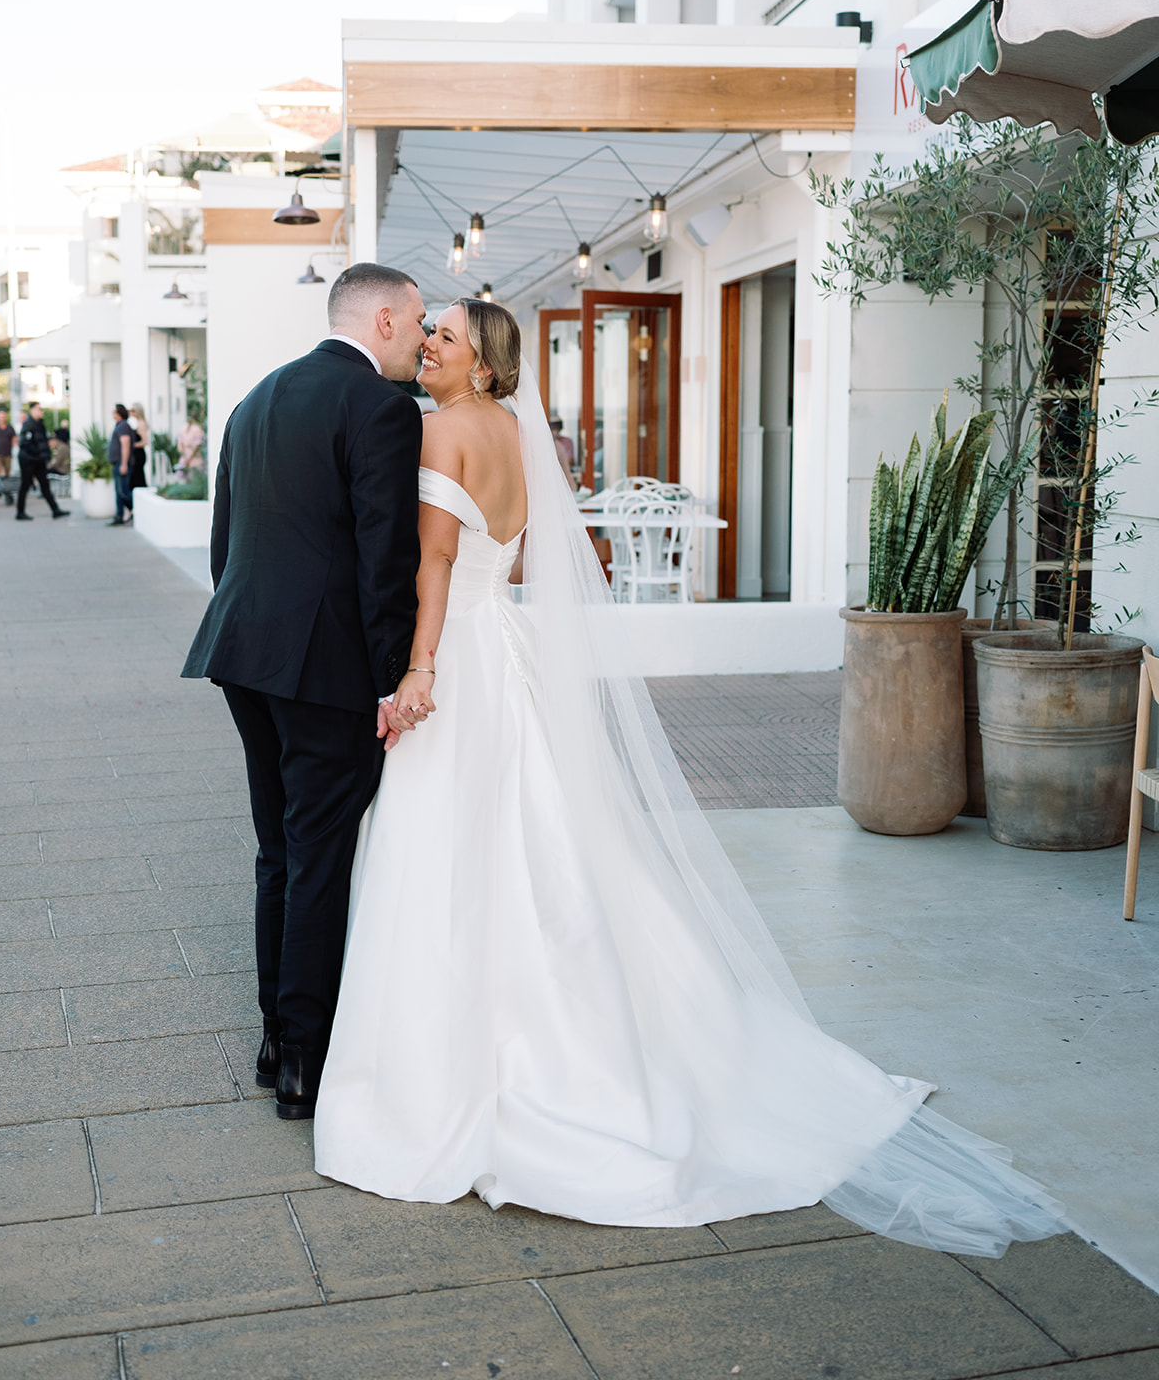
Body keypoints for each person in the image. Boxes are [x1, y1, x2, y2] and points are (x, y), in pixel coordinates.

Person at [313, 297, 1066, 1258]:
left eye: (445, 338)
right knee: (532, 834)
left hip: (459, 657)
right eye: (428, 334)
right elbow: (536, 552)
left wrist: (419, 672)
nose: (427, 346)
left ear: (487, 367)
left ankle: (447, 1073)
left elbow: (435, 561)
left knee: (452, 847)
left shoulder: (447, 431)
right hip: (505, 648)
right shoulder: (508, 431)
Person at [181, 263, 428, 1121]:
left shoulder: (256, 400)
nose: (426, 340)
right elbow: (385, 560)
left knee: (278, 850)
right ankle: (304, 1062)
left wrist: (252, 633)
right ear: (386, 319)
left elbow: (226, 541)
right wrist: (396, 678)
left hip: (243, 651)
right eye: (422, 321)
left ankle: (273, 1041)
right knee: (318, 855)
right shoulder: (382, 408)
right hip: (325, 668)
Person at [15, 402, 69, 521]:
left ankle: (55, 510)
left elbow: (43, 441)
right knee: (25, 485)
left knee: (45, 485)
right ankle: (20, 512)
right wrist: (38, 454)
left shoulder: (40, 424)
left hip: (38, 460)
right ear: (32, 410)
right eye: (39, 409)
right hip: (29, 460)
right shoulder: (28, 425)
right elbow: (25, 444)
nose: (42, 412)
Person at [108, 404, 134, 525]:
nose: (112, 414)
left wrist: (124, 464)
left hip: (121, 463)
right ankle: (119, 516)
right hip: (117, 463)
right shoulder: (120, 425)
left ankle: (135, 509)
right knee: (119, 492)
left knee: (122, 491)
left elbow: (125, 444)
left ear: (118, 413)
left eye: (113, 412)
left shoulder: (123, 426)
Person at [549, 416, 578, 491]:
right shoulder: (549, 443)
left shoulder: (566, 442)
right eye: (553, 430)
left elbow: (570, 460)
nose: (555, 433)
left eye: (557, 430)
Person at [176, 414, 205, 479]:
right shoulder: (197, 429)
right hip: (195, 461)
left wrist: (185, 457)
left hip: (184, 460)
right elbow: (198, 446)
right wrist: (189, 459)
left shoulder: (183, 428)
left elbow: (180, 446)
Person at [128, 403, 149, 490]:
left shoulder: (141, 423)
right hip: (136, 454)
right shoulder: (137, 423)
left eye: (133, 410)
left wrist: (132, 445)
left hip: (139, 454)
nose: (131, 412)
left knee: (138, 478)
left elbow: (145, 441)